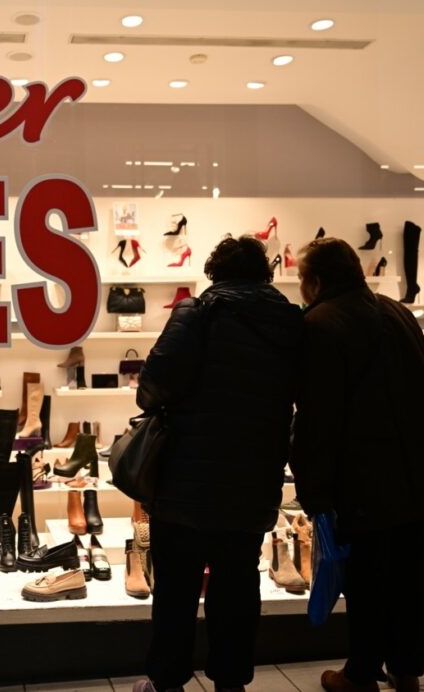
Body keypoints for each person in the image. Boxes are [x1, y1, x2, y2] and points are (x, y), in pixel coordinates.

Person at [133, 236, 304, 692]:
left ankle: (167, 681)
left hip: (185, 480)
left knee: (177, 589)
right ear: (265, 273)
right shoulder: (290, 321)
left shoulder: (198, 312)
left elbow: (152, 387)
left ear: (215, 272)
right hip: (253, 481)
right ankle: (230, 683)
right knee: (237, 588)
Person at [290, 238, 424, 692]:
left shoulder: (321, 324)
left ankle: (360, 674)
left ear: (316, 281)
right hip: (414, 473)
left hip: (362, 479)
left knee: (366, 579)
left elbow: (318, 417)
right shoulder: (398, 313)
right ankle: (407, 668)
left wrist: (313, 489)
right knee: (407, 577)